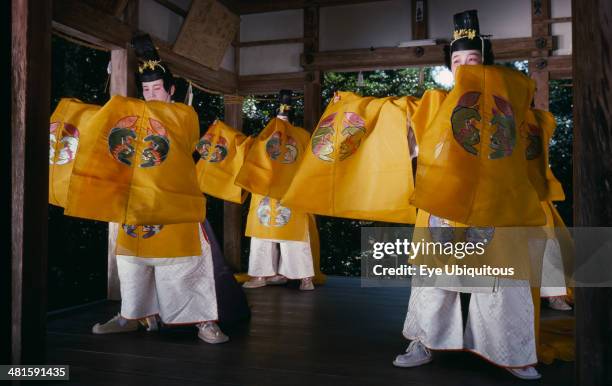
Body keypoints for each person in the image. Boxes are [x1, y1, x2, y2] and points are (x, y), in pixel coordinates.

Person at [393, 10, 544, 380]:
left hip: (494, 202)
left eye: (471, 60)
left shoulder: (508, 99)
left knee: (502, 277)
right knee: (435, 278)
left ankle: (513, 351)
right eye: (456, 61)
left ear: (486, 64)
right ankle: (424, 340)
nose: (462, 67)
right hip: (444, 202)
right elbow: (405, 140)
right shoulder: (434, 103)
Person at [90, 34, 240, 343]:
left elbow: (171, 129)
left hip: (174, 201)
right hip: (138, 201)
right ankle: (132, 315)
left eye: (157, 88)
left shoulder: (184, 115)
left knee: (185, 263)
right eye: (145, 90)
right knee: (132, 262)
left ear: (172, 90)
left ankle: (203, 321)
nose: (151, 95)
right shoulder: (135, 117)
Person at [239, 91, 317, 291]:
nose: (282, 118)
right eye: (279, 114)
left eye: (285, 114)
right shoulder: (264, 136)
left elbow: (311, 163)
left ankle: (304, 276)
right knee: (261, 234)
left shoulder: (301, 135)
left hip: (291, 189)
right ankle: (261, 274)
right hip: (265, 189)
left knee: (295, 234)